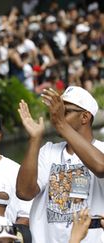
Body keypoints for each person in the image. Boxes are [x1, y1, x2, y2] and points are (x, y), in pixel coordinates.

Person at [17, 86, 104, 243]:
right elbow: (24, 192)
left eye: (66, 111)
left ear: (85, 117)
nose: (56, 115)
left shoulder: (102, 150)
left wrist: (61, 124)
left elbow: (101, 167)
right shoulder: (48, 151)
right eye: (57, 111)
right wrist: (35, 139)